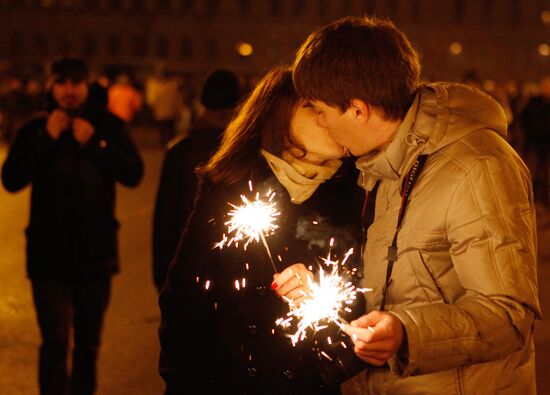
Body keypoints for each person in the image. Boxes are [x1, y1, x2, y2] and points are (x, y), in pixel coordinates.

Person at [292, 16, 540, 394]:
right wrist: (321, 292)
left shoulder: (478, 167)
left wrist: (407, 334)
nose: (322, 126)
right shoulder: (386, 163)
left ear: (357, 110)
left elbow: (509, 315)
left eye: (322, 112)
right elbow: (403, 282)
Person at [158, 67, 365, 394]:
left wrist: (323, 290)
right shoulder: (229, 187)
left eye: (334, 106)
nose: (330, 117)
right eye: (313, 106)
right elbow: (184, 298)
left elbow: (372, 296)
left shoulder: (360, 192)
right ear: (278, 114)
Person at [1, 56, 144, 395]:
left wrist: (95, 143)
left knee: (87, 343)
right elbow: (11, 178)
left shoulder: (109, 126)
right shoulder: (36, 128)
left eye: (75, 82)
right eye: (61, 82)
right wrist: (47, 140)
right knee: (54, 341)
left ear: (87, 85)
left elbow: (133, 173)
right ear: (51, 85)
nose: (68, 90)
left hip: (95, 256)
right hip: (47, 257)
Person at [153, 69, 242, 292]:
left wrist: (162, 274)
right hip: (235, 267)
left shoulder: (181, 150)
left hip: (186, 264)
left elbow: (165, 217)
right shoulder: (245, 150)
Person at [521, 75, 550, 208]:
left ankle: (545, 198)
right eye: (545, 86)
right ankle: (534, 197)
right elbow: (523, 117)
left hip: (547, 144)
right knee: (534, 172)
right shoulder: (534, 102)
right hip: (535, 144)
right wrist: (528, 132)